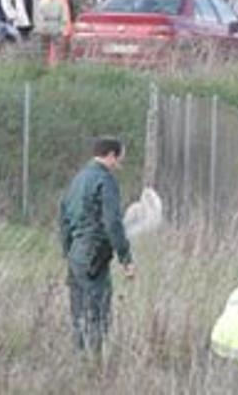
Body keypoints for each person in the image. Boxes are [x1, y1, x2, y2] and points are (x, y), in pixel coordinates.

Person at [59, 138, 135, 357]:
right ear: (111, 155)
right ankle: (94, 366)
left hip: (75, 255)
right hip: (95, 255)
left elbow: (63, 218)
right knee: (98, 313)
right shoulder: (105, 180)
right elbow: (112, 222)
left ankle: (80, 360)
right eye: (120, 159)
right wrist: (125, 257)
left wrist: (68, 251)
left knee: (78, 313)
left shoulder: (77, 179)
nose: (120, 164)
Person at [38, 0, 73, 67]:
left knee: (64, 52)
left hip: (67, 28)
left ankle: (61, 67)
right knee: (51, 51)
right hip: (54, 27)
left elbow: (70, 13)